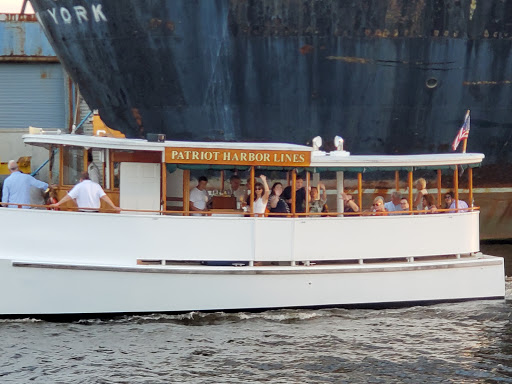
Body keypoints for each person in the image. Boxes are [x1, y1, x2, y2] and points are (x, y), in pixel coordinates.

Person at [50, 171, 120, 212]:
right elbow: (104, 197)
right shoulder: (96, 185)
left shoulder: (79, 186)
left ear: (81, 179)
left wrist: (58, 203)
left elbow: (69, 196)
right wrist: (113, 206)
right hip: (95, 212)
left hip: (83, 212)